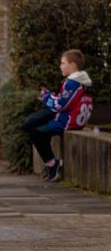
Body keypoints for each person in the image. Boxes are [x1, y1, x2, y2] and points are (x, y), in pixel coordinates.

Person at [22, 49, 94, 182]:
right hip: (74, 121)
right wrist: (51, 96)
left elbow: (60, 105)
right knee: (35, 127)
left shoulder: (72, 83)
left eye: (63, 63)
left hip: (67, 122)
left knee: (35, 132)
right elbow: (66, 101)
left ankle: (52, 164)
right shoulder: (83, 83)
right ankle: (52, 164)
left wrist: (46, 97)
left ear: (72, 65)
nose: (60, 66)